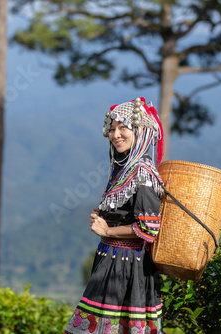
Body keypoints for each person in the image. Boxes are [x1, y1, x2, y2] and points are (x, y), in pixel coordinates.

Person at [64, 97, 165, 334]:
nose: (116, 134)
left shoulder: (143, 173)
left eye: (123, 128)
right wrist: (106, 215)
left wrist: (107, 230)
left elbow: (148, 228)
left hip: (128, 268)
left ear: (139, 131)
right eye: (112, 129)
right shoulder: (124, 169)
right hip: (112, 262)